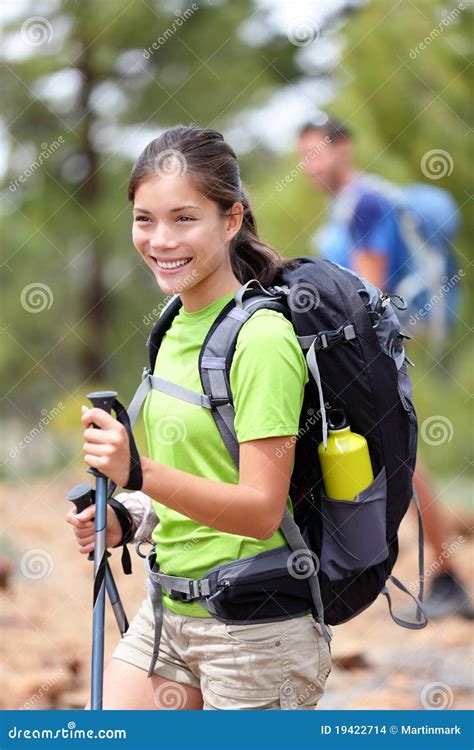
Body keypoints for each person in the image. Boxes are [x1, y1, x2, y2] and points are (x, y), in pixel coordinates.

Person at [66, 125, 332, 711]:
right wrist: (127, 516)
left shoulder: (262, 338)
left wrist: (139, 473)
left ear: (231, 220)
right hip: (166, 612)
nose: (161, 240)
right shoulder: (171, 326)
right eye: (144, 219)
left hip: (255, 633)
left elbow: (261, 511)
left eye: (184, 219)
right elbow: (195, 474)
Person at [297, 118, 471, 621]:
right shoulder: (352, 205)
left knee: (404, 461)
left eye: (317, 153)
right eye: (303, 156)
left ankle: (445, 576)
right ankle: (436, 574)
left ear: (344, 148)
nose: (309, 166)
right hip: (377, 347)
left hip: (375, 350)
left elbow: (363, 295)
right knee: (398, 458)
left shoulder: (364, 203)